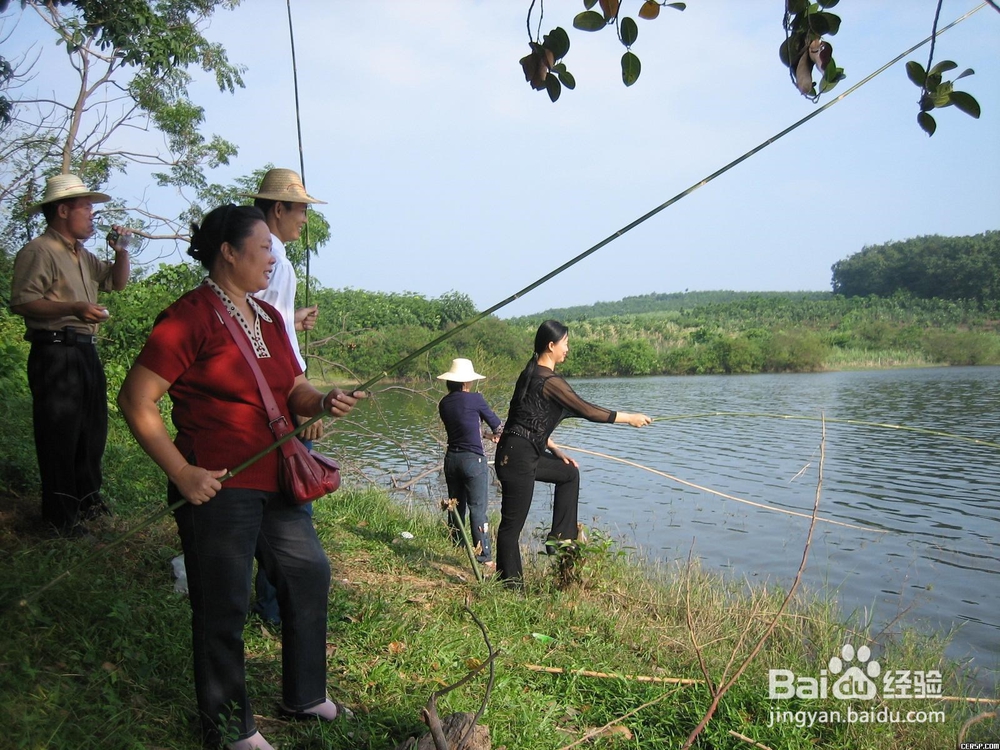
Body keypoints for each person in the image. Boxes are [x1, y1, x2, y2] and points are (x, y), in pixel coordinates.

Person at [117, 204, 364, 750]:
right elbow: (136, 399)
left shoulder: (270, 318)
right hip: (218, 485)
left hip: (276, 479)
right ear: (227, 252)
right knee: (222, 603)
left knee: (307, 573)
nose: (272, 259)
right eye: (262, 249)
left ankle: (303, 695)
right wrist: (182, 473)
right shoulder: (189, 316)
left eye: (272, 251)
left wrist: (322, 399)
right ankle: (230, 728)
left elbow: (292, 389)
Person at [10, 173, 131, 537]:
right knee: (59, 435)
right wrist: (75, 307)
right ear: (63, 210)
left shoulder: (82, 254)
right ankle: (60, 519)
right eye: (86, 209)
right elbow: (23, 302)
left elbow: (117, 282)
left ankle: (88, 504)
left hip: (84, 351)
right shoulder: (39, 250)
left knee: (91, 432)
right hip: (55, 353)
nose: (92, 216)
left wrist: (122, 250)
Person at [494, 320, 651, 588]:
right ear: (551, 345)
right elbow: (587, 410)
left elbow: (529, 419)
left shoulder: (531, 374)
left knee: (568, 472)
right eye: (565, 343)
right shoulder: (548, 380)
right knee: (511, 527)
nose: (568, 349)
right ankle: (511, 586)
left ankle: (560, 538)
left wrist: (553, 448)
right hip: (517, 457)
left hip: (521, 452)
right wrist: (629, 418)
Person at [245, 167, 325, 626]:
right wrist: (296, 404)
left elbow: (261, 329)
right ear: (278, 209)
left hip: (282, 393)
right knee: (290, 505)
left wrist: (292, 322)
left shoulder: (265, 256)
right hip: (281, 398)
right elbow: (258, 343)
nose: (304, 221)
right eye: (300, 210)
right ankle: (276, 609)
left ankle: (271, 604)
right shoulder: (270, 255)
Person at [436, 358, 502, 573]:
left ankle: (455, 545)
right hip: (473, 460)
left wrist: (484, 434)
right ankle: (485, 558)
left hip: (451, 460)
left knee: (456, 506)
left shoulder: (444, 403)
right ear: (466, 382)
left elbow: (462, 428)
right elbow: (497, 424)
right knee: (478, 509)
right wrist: (497, 434)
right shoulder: (476, 399)